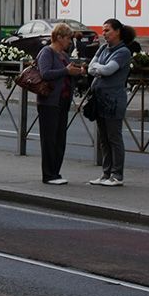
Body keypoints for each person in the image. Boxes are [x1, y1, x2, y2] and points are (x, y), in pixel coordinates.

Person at [36, 23, 85, 185]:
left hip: (63, 101)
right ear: (59, 37)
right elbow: (45, 73)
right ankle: (48, 174)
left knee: (60, 139)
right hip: (49, 102)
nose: (70, 42)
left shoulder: (64, 55)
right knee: (50, 139)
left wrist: (79, 72)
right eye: (68, 38)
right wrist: (66, 71)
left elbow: (67, 75)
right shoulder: (47, 52)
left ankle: (56, 172)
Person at [88, 18, 132, 186]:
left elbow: (107, 70)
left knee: (114, 137)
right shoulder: (103, 48)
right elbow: (93, 67)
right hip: (100, 98)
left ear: (117, 31)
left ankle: (117, 175)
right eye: (103, 30)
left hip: (114, 100)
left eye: (107, 30)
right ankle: (105, 173)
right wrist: (97, 69)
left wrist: (98, 69)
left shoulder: (123, 52)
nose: (104, 34)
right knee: (103, 138)